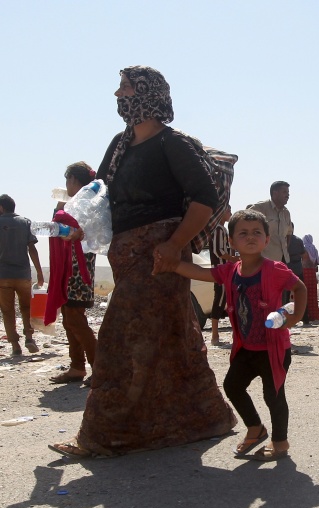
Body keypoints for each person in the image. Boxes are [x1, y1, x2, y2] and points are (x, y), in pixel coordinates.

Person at [49, 66, 236, 458]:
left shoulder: (174, 144)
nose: (118, 95)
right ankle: (204, 419)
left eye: (126, 88)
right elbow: (102, 197)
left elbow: (204, 200)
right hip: (126, 254)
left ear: (148, 95)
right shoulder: (120, 145)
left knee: (120, 340)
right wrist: (82, 227)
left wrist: (174, 244)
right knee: (174, 338)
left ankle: (106, 435)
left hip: (160, 256)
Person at [173, 209, 305, 460]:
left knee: (273, 395)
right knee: (232, 386)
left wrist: (295, 318)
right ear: (231, 242)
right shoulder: (230, 270)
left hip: (273, 347)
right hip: (246, 347)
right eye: (243, 233)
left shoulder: (275, 269)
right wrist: (173, 264)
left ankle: (280, 442)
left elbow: (298, 287)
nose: (251, 237)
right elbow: (200, 273)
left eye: (257, 232)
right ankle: (255, 428)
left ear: (267, 240)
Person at [48, 162, 98, 382]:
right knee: (70, 318)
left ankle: (100, 367)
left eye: (69, 180)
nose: (67, 184)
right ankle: (77, 366)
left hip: (77, 267)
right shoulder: (77, 203)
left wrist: (60, 211)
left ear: (75, 181)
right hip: (70, 265)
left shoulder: (85, 205)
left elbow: (77, 231)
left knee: (75, 318)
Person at [0, 194, 44, 356]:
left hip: (3, 276)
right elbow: (32, 249)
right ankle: (29, 338)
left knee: (7, 311)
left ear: (1, 208)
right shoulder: (25, 222)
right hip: (23, 274)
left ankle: (15, 345)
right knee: (26, 308)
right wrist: (39, 272)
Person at [208, 206, 236, 346]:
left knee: (224, 299)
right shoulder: (218, 229)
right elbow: (219, 251)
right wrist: (233, 259)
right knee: (220, 299)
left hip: (224, 269)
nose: (230, 213)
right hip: (221, 269)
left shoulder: (223, 229)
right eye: (228, 211)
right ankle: (214, 335)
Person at [247, 181, 291, 263]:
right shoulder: (260, 208)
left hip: (282, 260)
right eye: (284, 192)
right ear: (275, 193)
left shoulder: (286, 213)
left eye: (288, 192)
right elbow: (243, 223)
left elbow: (288, 234)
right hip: (263, 259)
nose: (288, 195)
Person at [301, 234, 319, 324]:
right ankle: (315, 315)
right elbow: (317, 262)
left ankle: (306, 315)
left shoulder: (304, 248)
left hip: (305, 272)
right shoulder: (314, 249)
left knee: (305, 293)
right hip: (312, 273)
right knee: (313, 294)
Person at [285, 222, 305, 305]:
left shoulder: (283, 240)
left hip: (287, 267)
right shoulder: (298, 240)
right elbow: (303, 254)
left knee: (286, 292)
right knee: (300, 290)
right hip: (297, 268)